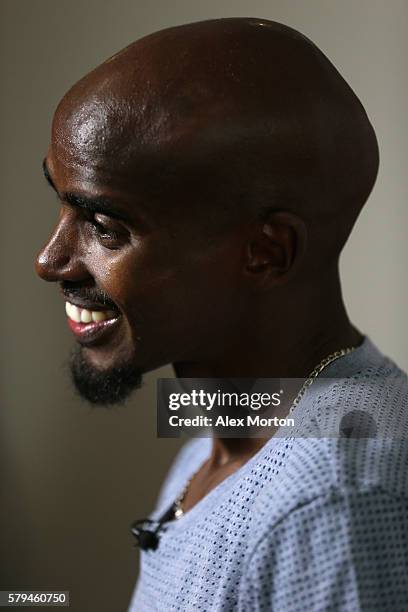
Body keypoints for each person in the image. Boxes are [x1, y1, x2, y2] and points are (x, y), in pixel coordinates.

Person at [36, 17, 408, 611]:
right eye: (60, 203)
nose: (50, 260)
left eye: (105, 226)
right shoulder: (224, 423)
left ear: (267, 252)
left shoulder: (333, 503)